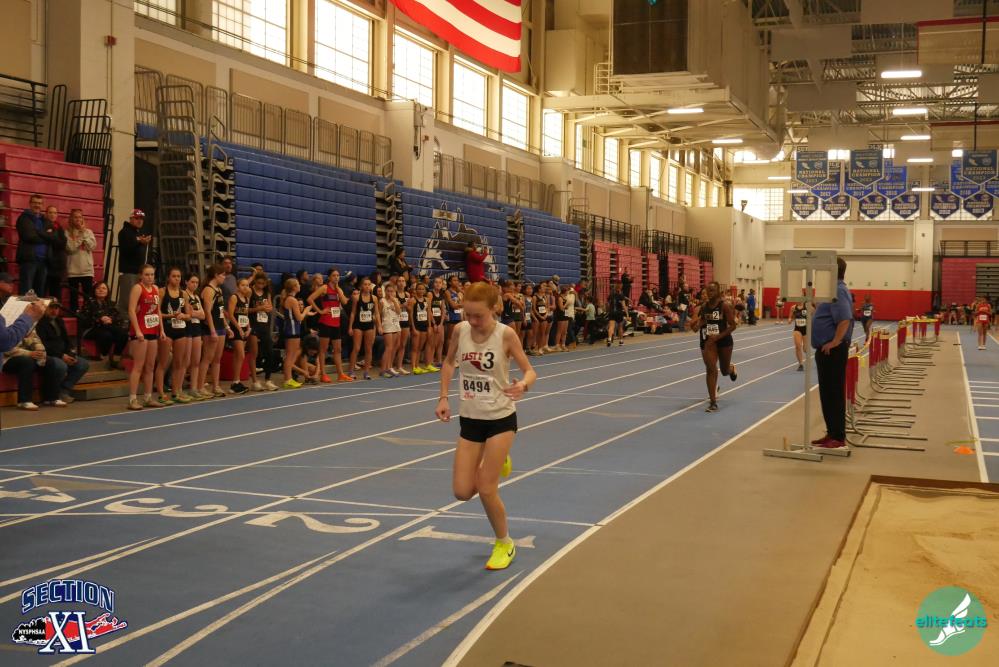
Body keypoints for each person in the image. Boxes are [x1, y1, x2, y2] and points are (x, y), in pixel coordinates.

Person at [435, 282, 537, 571]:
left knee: (486, 487)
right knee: (462, 492)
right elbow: (448, 362)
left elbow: (530, 371)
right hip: (470, 418)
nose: (472, 321)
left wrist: (522, 385)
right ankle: (499, 458)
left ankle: (504, 542)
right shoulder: (460, 331)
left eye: (478, 315)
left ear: (494, 309)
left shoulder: (506, 335)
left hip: (500, 418)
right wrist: (443, 396)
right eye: (467, 314)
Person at [810, 257, 854, 450]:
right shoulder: (831, 290)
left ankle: (838, 436)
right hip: (826, 351)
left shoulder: (838, 290)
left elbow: (845, 319)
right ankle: (831, 433)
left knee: (834, 393)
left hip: (833, 351)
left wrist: (835, 341)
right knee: (827, 394)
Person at [692, 281, 738, 413]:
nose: (709, 293)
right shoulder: (703, 307)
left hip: (724, 340)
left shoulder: (724, 306)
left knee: (724, 371)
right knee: (711, 369)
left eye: (712, 290)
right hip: (710, 341)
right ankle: (713, 402)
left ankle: (731, 369)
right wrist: (696, 324)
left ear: (718, 292)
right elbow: (700, 323)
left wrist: (718, 336)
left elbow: (733, 326)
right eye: (708, 290)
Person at [35, 301, 91, 405]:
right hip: (47, 355)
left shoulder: (59, 321)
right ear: (45, 308)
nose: (54, 311)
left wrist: (70, 353)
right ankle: (52, 394)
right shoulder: (39, 323)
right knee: (60, 365)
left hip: (62, 353)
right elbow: (43, 345)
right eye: (51, 308)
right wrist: (61, 356)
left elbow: (66, 340)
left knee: (83, 364)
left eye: (56, 308)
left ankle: (64, 390)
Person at [126, 264, 163, 410]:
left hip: (153, 330)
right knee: (138, 366)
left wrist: (162, 329)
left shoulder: (156, 289)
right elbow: (131, 310)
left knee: (150, 366)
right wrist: (137, 330)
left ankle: (148, 397)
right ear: (141, 275)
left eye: (152, 274)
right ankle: (132, 399)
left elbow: (157, 311)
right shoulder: (137, 288)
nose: (150, 277)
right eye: (147, 274)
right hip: (140, 331)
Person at [155, 267, 193, 405]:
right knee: (163, 363)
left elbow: (189, 315)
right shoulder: (162, 292)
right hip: (167, 329)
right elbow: (157, 312)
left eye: (179, 276)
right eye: (174, 276)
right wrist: (170, 315)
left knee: (179, 363)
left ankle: (176, 392)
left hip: (180, 330)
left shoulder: (184, 294)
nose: (177, 279)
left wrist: (184, 315)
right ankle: (161, 394)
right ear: (168, 277)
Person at [199, 264, 233, 399]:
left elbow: (220, 311)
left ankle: (216, 386)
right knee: (207, 358)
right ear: (215, 275)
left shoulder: (218, 289)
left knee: (217, 359)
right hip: (211, 328)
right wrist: (212, 331)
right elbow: (207, 312)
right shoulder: (208, 290)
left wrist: (227, 327)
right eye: (223, 275)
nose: (224, 277)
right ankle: (200, 387)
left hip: (220, 327)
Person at [79, 281, 129, 368]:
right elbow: (85, 320)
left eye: (104, 288)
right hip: (92, 328)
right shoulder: (89, 302)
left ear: (107, 291)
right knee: (106, 335)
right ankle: (105, 356)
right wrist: (99, 319)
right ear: (94, 290)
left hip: (108, 327)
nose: (101, 290)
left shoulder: (111, 303)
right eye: (98, 288)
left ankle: (116, 357)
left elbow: (118, 317)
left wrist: (110, 319)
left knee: (123, 334)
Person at [16, 194, 55, 296]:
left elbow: (52, 236)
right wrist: (45, 235)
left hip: (43, 262)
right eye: (35, 203)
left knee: (40, 294)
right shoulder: (24, 219)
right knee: (26, 294)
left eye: (39, 203)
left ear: (42, 205)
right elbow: (29, 236)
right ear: (30, 204)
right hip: (29, 261)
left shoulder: (45, 220)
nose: (37, 205)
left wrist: (38, 232)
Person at [247, 272, 279, 391]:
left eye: (263, 283)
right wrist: (258, 308)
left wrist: (267, 308)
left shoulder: (267, 293)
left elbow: (270, 307)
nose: (261, 285)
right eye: (259, 283)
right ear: (255, 281)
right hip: (253, 325)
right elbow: (245, 309)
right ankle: (255, 381)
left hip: (264, 324)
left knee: (270, 352)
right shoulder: (250, 292)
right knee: (254, 353)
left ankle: (268, 379)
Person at [0, 273, 46, 352]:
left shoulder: (7, 301)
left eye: (12, 282)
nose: (12, 285)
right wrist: (28, 317)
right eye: (8, 282)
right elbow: (5, 341)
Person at [116, 209, 152, 312]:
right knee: (128, 300)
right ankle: (125, 319)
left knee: (138, 300)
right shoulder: (124, 232)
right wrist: (139, 242)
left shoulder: (138, 233)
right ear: (131, 219)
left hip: (139, 272)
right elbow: (125, 250)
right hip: (129, 272)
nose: (140, 221)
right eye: (137, 218)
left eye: (141, 219)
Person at [348, 277, 382, 380]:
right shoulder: (356, 298)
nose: (367, 286)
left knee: (368, 349)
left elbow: (377, 313)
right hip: (358, 325)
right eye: (365, 284)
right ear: (361, 286)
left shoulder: (374, 298)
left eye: (369, 284)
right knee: (357, 348)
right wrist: (350, 327)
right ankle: (351, 371)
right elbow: (353, 313)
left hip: (369, 325)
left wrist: (379, 326)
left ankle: (366, 372)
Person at [65, 209, 96, 311]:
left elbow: (92, 246)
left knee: (88, 296)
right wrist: (81, 236)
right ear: (71, 219)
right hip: (73, 270)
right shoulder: (67, 232)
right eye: (75, 217)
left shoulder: (89, 232)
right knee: (73, 296)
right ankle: (74, 313)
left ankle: (87, 314)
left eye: (80, 217)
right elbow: (71, 248)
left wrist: (83, 233)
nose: (78, 219)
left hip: (87, 270)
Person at [183, 273, 208, 399]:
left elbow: (203, 315)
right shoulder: (184, 294)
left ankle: (194, 388)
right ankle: (179, 388)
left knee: (196, 361)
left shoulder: (197, 297)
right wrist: (195, 313)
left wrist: (195, 313)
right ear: (186, 282)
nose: (195, 284)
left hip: (197, 328)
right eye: (192, 282)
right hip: (188, 328)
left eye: (197, 282)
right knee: (186, 361)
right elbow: (188, 313)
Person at [227, 277, 252, 394]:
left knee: (238, 356)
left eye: (247, 285)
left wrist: (248, 328)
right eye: (243, 285)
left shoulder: (246, 298)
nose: (245, 287)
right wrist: (239, 329)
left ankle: (236, 382)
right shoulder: (234, 297)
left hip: (244, 328)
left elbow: (246, 315)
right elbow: (231, 315)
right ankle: (235, 382)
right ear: (237, 286)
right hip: (236, 328)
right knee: (241, 355)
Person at [43, 206, 68, 305]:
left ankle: (56, 311)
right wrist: (56, 240)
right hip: (46, 263)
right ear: (46, 214)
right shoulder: (43, 225)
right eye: (50, 212)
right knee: (43, 291)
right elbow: (58, 242)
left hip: (58, 265)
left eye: (55, 213)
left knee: (56, 292)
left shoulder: (59, 227)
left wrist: (53, 238)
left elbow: (63, 243)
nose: (52, 215)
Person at [606, 283, 628, 347]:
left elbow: (607, 304)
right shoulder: (621, 296)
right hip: (619, 313)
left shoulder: (611, 295)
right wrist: (627, 314)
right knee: (620, 327)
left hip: (612, 312)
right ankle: (621, 341)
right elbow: (623, 306)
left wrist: (608, 310)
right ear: (620, 288)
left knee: (611, 327)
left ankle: (609, 339)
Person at [791, 303, 809, 371]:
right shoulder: (793, 307)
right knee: (798, 346)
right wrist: (790, 319)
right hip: (797, 329)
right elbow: (792, 316)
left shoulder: (807, 306)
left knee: (805, 349)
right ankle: (801, 364)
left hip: (806, 330)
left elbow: (814, 314)